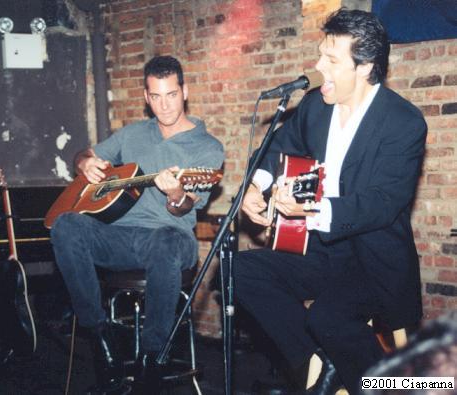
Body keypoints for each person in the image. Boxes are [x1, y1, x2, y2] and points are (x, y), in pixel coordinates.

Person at [234, 8, 427, 395]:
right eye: (320, 55)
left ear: (365, 66)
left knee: (328, 318)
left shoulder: (404, 122)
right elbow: (279, 146)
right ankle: (315, 366)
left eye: (331, 60)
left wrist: (312, 210)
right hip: (320, 251)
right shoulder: (314, 106)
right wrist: (256, 185)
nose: (318, 66)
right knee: (238, 269)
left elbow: (382, 202)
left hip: (374, 261)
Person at [50, 55, 224, 395]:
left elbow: (184, 209)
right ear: (146, 97)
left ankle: (151, 359)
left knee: (164, 241)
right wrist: (86, 162)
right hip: (120, 238)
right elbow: (83, 154)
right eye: (156, 97)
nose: (164, 105)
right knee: (65, 225)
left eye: (171, 95)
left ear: (184, 91)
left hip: (172, 238)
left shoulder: (207, 148)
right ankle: (101, 338)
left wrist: (176, 194)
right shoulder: (132, 134)